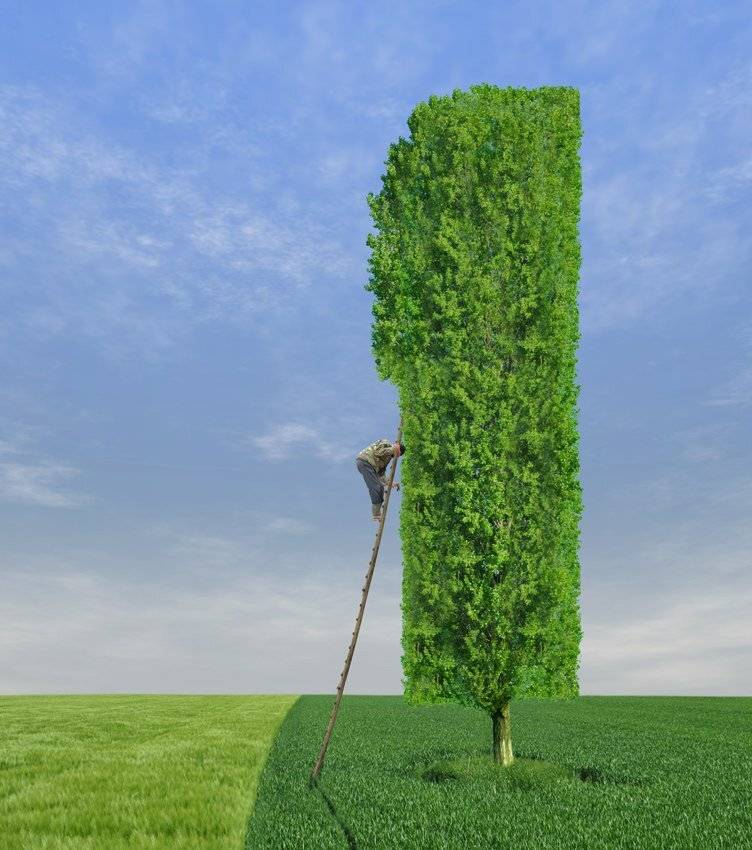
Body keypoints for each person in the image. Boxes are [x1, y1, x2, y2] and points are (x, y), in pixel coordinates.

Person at [356, 438, 405, 522]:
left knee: (380, 488)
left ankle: (376, 513)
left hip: (370, 466)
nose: (395, 456)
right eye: (397, 454)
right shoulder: (386, 443)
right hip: (365, 461)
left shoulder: (388, 457)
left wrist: (389, 483)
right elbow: (378, 452)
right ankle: (376, 514)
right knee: (377, 487)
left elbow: (381, 473)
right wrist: (393, 449)